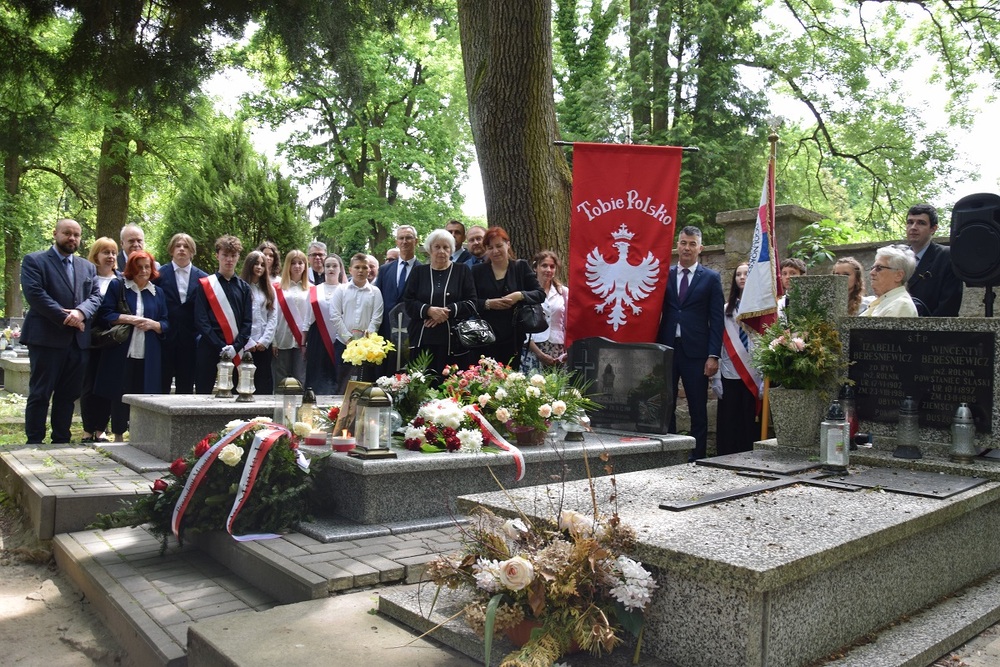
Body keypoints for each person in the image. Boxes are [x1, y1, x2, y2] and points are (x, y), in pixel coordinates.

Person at [21, 219, 102, 444]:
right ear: (55, 234)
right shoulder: (34, 261)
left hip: (78, 344)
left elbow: (95, 297)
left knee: (68, 395)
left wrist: (80, 313)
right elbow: (35, 294)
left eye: (77, 235)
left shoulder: (87, 267)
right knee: (40, 393)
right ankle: (34, 440)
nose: (72, 238)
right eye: (67, 233)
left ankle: (61, 439)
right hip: (46, 339)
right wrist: (68, 318)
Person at [655, 225, 724, 461]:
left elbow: (716, 320)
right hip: (667, 350)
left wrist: (713, 355)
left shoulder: (712, 279)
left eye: (692, 244)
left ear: (700, 248)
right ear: (677, 245)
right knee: (666, 405)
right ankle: (671, 454)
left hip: (697, 353)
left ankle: (698, 457)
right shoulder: (664, 274)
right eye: (683, 243)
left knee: (698, 408)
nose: (687, 248)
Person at [94, 251, 168, 441]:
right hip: (122, 351)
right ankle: (118, 435)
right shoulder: (119, 286)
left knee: (146, 394)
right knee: (120, 393)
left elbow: (166, 322)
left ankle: (142, 436)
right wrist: (133, 319)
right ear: (131, 268)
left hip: (149, 353)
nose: (143, 271)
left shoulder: (157, 292)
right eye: (139, 266)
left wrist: (154, 325)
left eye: (147, 266)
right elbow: (105, 315)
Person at [403, 230, 477, 378]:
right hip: (423, 339)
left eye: (446, 247)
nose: (441, 251)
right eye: (437, 247)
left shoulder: (462, 270)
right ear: (430, 249)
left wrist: (445, 312)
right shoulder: (418, 272)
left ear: (452, 249)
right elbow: (408, 302)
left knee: (451, 387)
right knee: (422, 385)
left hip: (453, 341)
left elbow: (472, 303)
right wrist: (429, 311)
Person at [471, 226, 544, 369]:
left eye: (499, 246)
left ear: (508, 244)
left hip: (514, 336)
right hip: (485, 337)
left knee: (509, 380)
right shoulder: (477, 271)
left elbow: (540, 294)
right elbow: (469, 302)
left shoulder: (520, 267)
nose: (495, 251)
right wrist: (488, 304)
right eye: (490, 247)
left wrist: (519, 295)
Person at [193, 235, 253, 394]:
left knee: (235, 394)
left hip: (236, 348)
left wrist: (235, 347)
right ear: (217, 256)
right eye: (225, 255)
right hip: (209, 347)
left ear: (238, 257)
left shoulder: (245, 288)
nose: (229, 260)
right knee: (203, 392)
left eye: (233, 255)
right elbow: (201, 320)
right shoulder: (205, 285)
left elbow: (247, 323)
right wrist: (219, 345)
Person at [714, 263, 761, 456]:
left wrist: (765, 377)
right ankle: (726, 455)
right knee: (729, 420)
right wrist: (716, 376)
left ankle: (749, 454)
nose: (742, 277)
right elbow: (718, 343)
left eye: (746, 274)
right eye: (738, 274)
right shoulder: (726, 309)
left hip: (753, 374)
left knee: (749, 420)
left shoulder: (762, 309)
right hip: (730, 371)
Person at [155, 233, 207, 394]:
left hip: (190, 340)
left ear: (192, 252)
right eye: (178, 246)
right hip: (164, 338)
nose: (182, 249)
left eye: (186, 247)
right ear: (171, 250)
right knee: (161, 385)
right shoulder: (158, 275)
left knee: (186, 386)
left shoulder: (203, 278)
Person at [80, 237, 121, 443]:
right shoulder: (86, 278)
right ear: (96, 255)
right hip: (88, 339)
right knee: (88, 385)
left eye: (114, 253)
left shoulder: (121, 279)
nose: (111, 257)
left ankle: (101, 429)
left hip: (112, 341)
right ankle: (88, 430)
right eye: (106, 252)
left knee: (106, 385)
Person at [331, 253, 385, 392]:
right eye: (357, 267)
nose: (360, 271)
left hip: (366, 347)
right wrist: (348, 338)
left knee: (364, 384)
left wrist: (367, 339)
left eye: (364, 267)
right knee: (342, 382)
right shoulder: (341, 290)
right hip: (344, 344)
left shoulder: (375, 292)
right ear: (350, 270)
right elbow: (335, 315)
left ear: (369, 270)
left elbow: (377, 317)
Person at [905, 203, 964, 316]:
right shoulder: (898, 256)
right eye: (910, 222)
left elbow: (949, 305)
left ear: (933, 228)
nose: (913, 227)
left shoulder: (947, 256)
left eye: (921, 223)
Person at [306, 255, 348, 395]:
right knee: (317, 378)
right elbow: (307, 318)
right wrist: (302, 343)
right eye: (328, 265)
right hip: (318, 339)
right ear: (323, 269)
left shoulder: (347, 290)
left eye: (334, 266)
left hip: (342, 338)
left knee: (338, 377)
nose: (331, 268)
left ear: (340, 269)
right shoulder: (314, 290)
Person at [272, 249, 313, 387]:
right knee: (280, 379)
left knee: (300, 378)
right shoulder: (277, 288)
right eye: (293, 263)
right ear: (287, 265)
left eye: (300, 263)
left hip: (302, 341)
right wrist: (273, 341)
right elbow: (273, 315)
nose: (297, 266)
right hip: (282, 338)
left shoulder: (312, 288)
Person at [522, 250, 568, 371]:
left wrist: (567, 351)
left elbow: (568, 323)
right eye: (544, 265)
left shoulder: (563, 292)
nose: (548, 270)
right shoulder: (527, 292)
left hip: (557, 349)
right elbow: (522, 326)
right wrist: (539, 353)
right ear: (535, 267)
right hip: (533, 348)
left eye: (552, 266)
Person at [239, 251, 278, 394]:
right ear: (249, 265)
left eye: (262, 265)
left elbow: (273, 317)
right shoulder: (240, 287)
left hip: (263, 345)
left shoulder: (269, 289)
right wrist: (248, 341)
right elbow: (237, 317)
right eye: (256, 263)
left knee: (263, 381)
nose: (259, 267)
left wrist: (265, 341)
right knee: (244, 380)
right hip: (245, 345)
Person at [375, 225, 421, 343]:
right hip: (386, 330)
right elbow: (377, 299)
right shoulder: (385, 270)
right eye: (401, 238)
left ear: (416, 241)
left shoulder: (423, 270)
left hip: (412, 330)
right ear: (397, 241)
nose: (404, 242)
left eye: (408, 238)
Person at [862, 245, 919, 317]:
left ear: (899, 275)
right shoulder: (885, 301)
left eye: (879, 268)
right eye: (872, 268)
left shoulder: (901, 305)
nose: (872, 273)